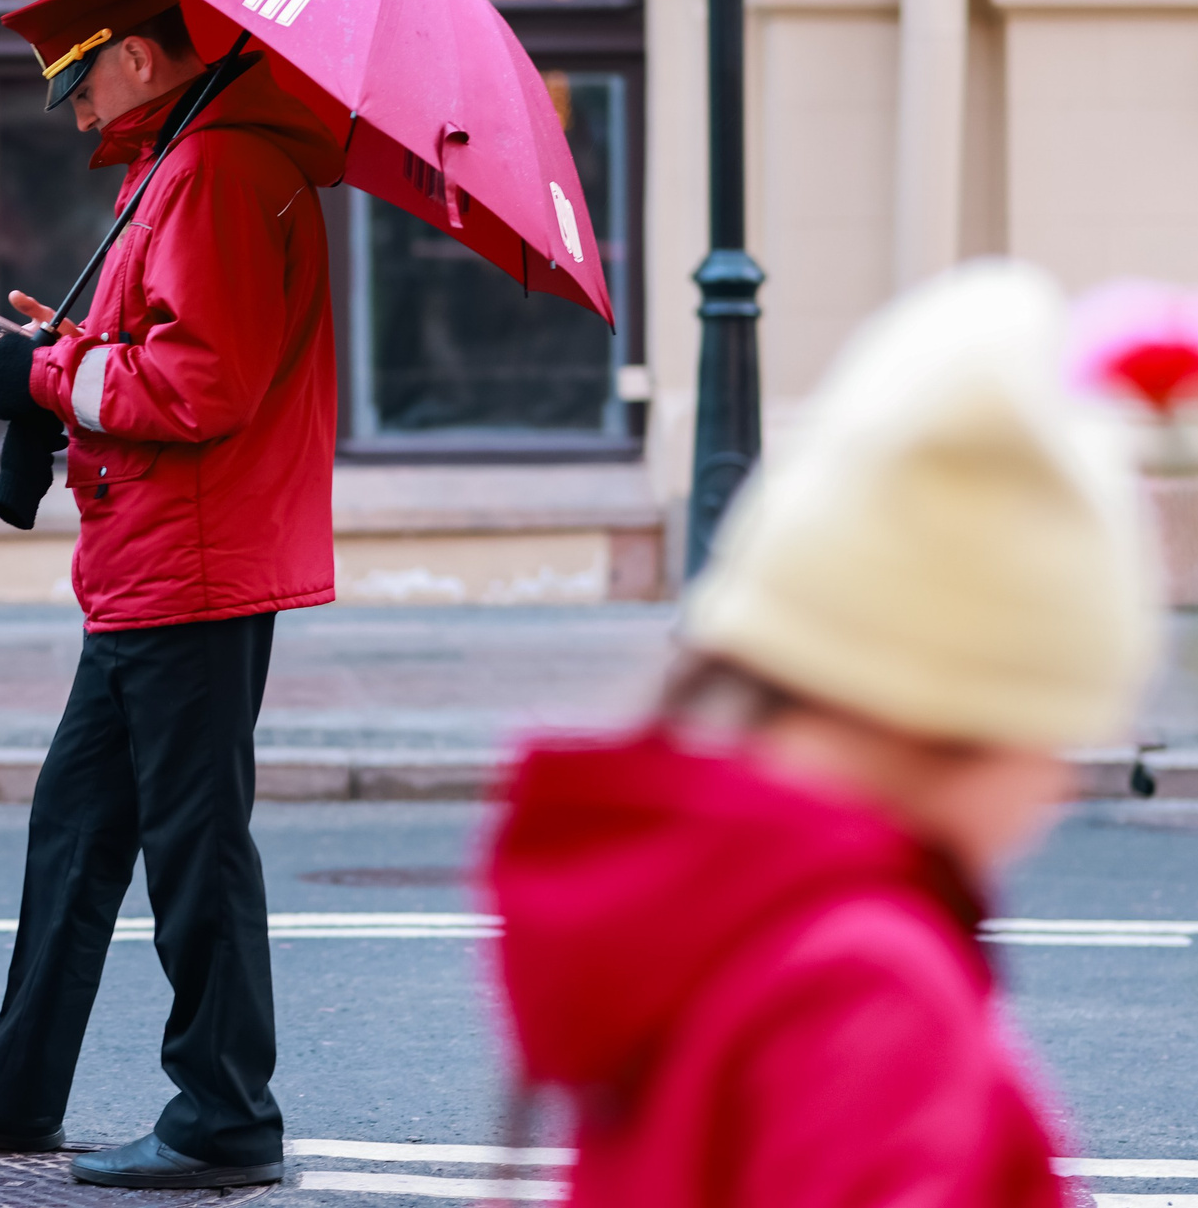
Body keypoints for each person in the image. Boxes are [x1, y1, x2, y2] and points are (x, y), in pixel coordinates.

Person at [489, 260, 1161, 1207]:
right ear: (951, 710)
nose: (1054, 789)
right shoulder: (868, 985)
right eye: (1059, 734)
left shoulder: (704, 903)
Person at [0, 0, 341, 1191]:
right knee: (79, 831)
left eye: (79, 80)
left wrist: (41, 381)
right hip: (156, 559)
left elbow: (199, 384)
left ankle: (228, 1113)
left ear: (136, 56)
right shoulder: (187, 162)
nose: (72, 111)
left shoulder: (214, 169)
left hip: (186, 561)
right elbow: (161, 348)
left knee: (192, 847)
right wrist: (63, 346)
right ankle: (17, 1085)